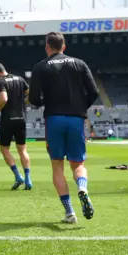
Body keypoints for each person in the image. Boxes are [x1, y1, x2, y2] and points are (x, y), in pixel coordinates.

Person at [28, 32, 99, 224]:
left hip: (54, 119)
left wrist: (46, 100)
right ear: (64, 46)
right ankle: (82, 188)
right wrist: (80, 107)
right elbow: (94, 91)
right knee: (78, 164)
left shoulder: (40, 67)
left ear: (47, 47)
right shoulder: (79, 63)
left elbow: (34, 99)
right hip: (76, 119)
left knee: (57, 166)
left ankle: (70, 213)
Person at [0, 61, 32, 190]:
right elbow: (31, 94)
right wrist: (24, 103)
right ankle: (28, 179)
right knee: (22, 150)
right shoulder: (20, 79)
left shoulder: (0, 82)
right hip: (21, 118)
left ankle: (18, 176)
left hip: (8, 119)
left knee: (4, 149)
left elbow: (4, 99)